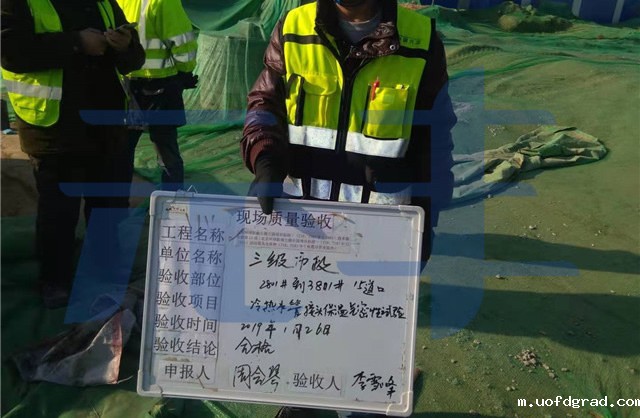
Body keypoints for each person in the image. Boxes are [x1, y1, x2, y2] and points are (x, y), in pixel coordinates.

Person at [241, 0, 456, 416]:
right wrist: (265, 158)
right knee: (301, 335)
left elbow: (436, 137)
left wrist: (428, 216)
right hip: (303, 235)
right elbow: (264, 104)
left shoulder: (421, 40)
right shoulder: (293, 27)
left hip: (380, 239)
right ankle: (304, 404)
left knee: (369, 346)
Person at [1, 0, 145, 308]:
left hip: (107, 127)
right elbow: (10, 51)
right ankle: (55, 280)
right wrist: (76, 42)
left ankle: (105, 273)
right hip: (55, 129)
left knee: (109, 207)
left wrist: (125, 45)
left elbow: (134, 59)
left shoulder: (103, 1)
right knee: (58, 211)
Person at [117, 0, 198, 191]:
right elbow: (182, 43)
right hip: (162, 86)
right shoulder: (163, 2)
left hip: (128, 85)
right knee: (166, 150)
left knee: (122, 151)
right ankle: (171, 201)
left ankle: (117, 203)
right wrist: (185, 72)